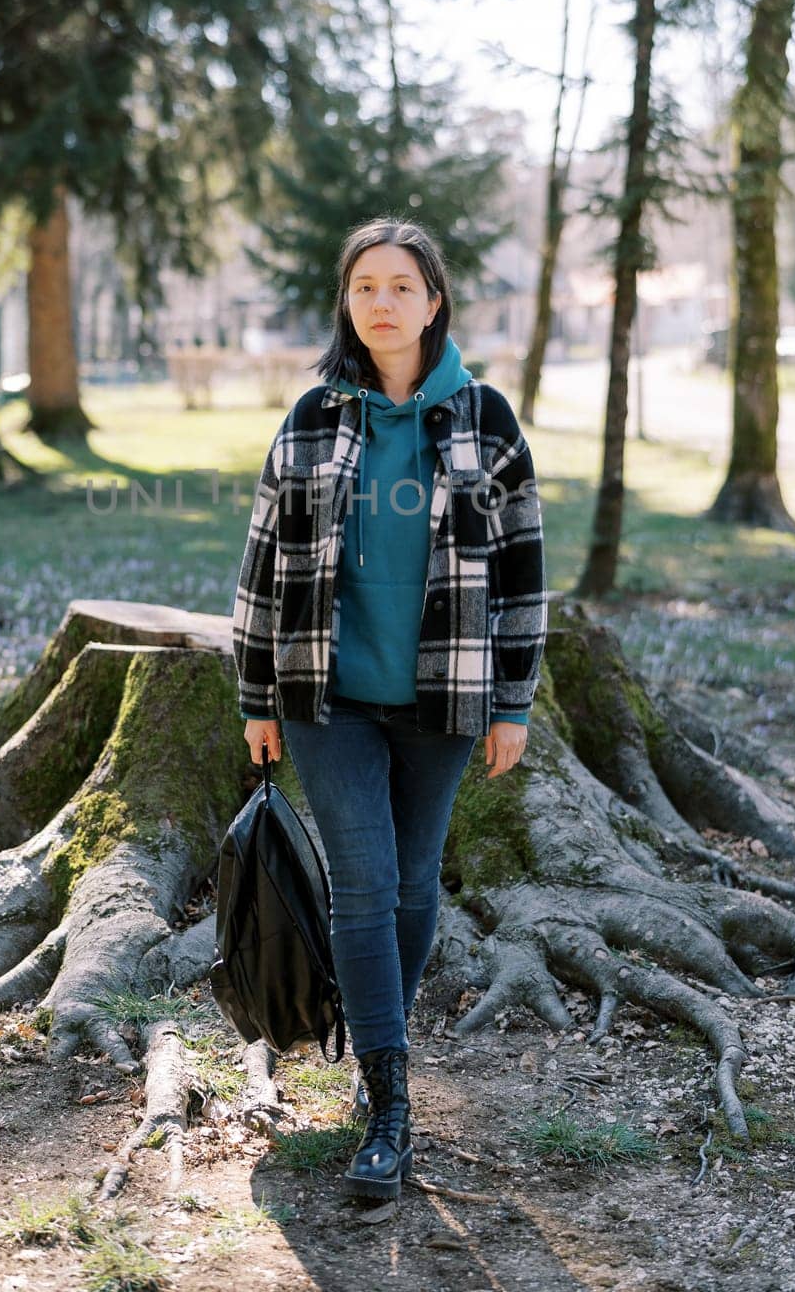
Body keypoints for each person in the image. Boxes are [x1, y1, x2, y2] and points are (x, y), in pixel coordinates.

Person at [231, 217, 548, 1201]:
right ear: (348, 301)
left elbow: (523, 570)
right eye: (363, 285)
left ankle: (378, 1051)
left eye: (399, 285)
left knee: (414, 885)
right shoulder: (316, 416)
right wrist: (254, 695)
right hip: (325, 696)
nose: (380, 301)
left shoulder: (485, 417)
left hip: (443, 697)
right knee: (364, 887)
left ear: (434, 301)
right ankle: (390, 1100)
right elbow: (260, 563)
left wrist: (513, 703)